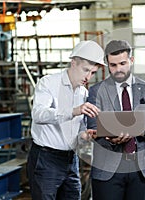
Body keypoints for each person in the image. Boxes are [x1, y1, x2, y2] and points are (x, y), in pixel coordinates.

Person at [85, 40, 145, 200]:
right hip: (107, 170)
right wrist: (111, 139)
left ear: (132, 60)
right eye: (112, 65)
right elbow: (93, 127)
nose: (118, 69)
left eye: (122, 63)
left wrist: (142, 128)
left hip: (138, 169)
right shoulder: (96, 91)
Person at [27, 40, 105, 199]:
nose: (88, 77)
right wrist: (74, 110)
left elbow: (79, 127)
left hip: (71, 159)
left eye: (92, 73)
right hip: (46, 159)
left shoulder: (82, 92)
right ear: (74, 62)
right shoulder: (48, 83)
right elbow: (39, 114)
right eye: (86, 70)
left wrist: (86, 134)